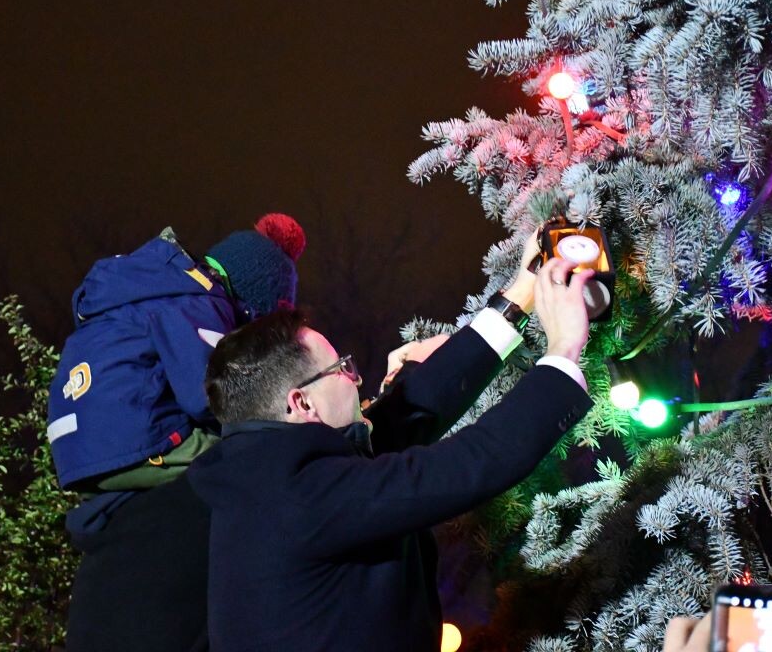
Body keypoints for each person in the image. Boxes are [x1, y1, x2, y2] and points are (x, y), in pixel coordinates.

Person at [188, 251, 596, 652]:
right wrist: (563, 348)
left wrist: (521, 293)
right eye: (340, 369)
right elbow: (473, 462)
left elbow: (411, 411)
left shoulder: (271, 472)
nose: (356, 379)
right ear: (302, 402)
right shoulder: (300, 495)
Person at [49, 215, 305, 652]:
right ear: (252, 303)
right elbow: (209, 395)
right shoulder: (198, 303)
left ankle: (99, 516)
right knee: (245, 458)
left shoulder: (144, 293)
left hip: (81, 451)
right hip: (135, 440)